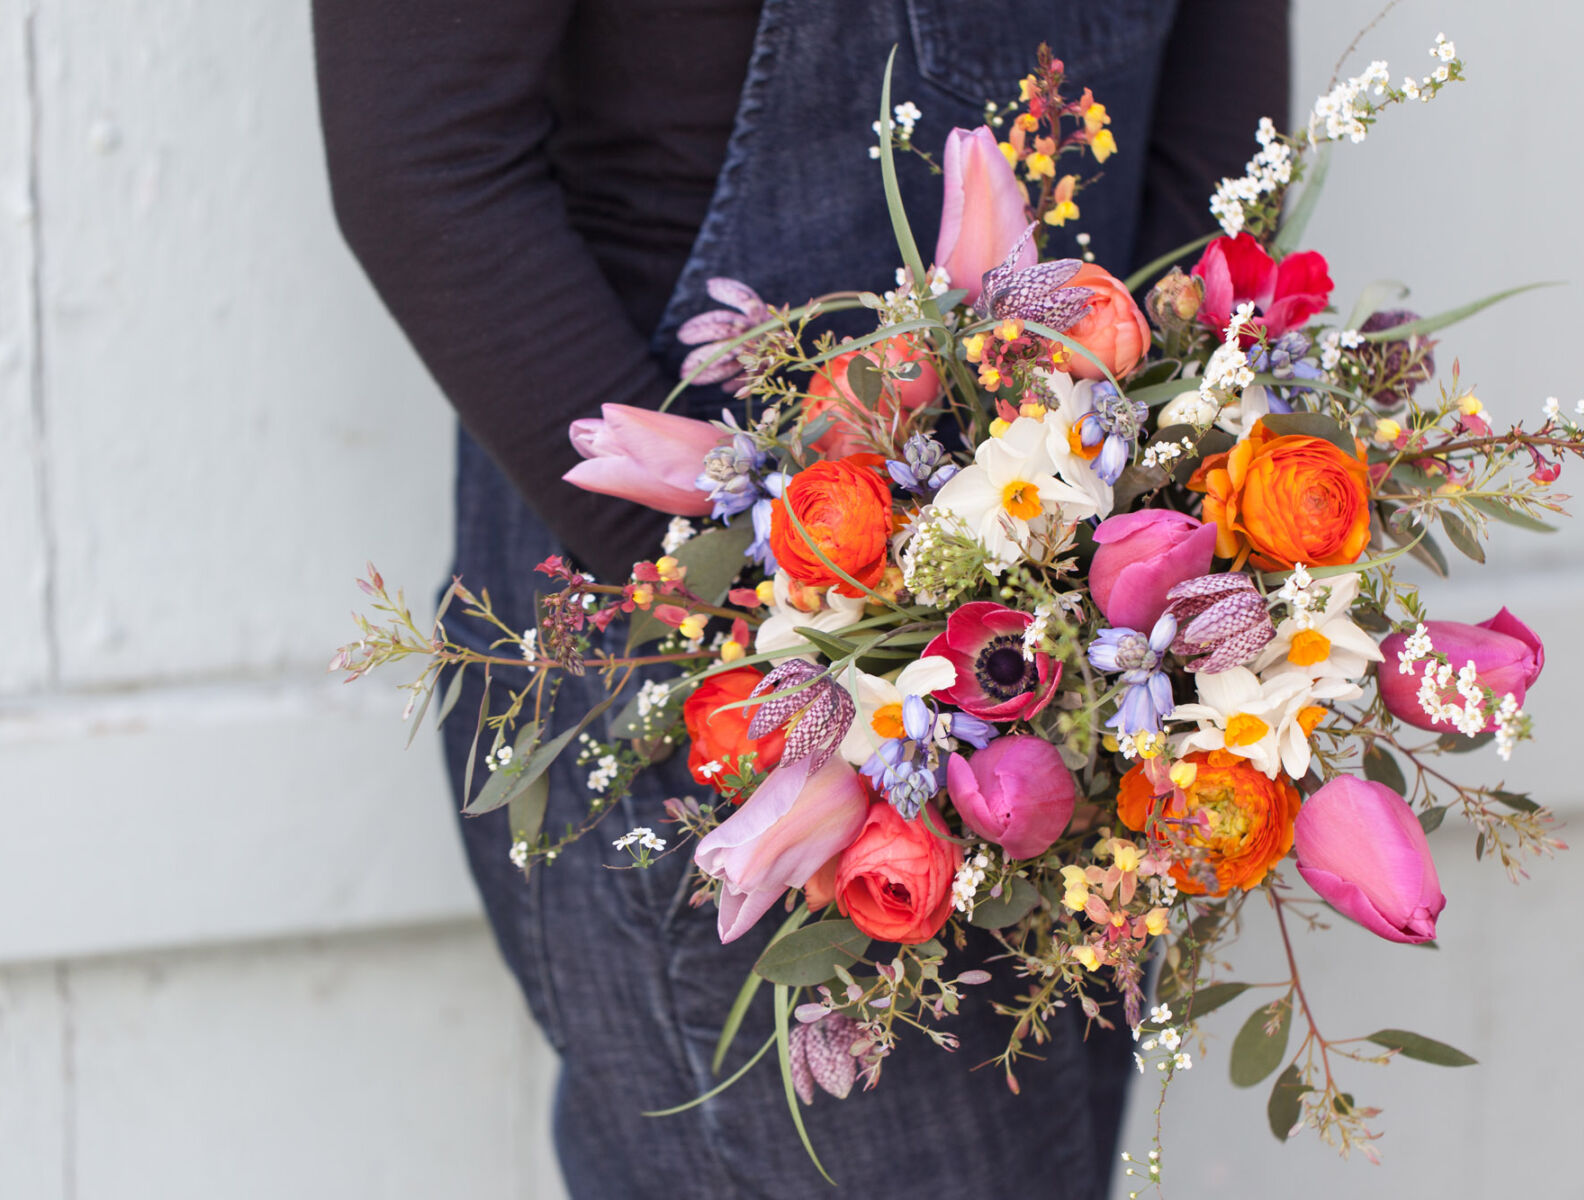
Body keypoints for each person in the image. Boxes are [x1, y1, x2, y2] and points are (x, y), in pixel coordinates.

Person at [313, 3, 1287, 1195]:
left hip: (1080, 666)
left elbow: (1216, 111)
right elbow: (422, 162)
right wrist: (786, 638)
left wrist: (1162, 499)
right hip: (737, 691)